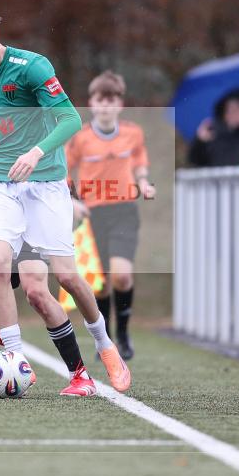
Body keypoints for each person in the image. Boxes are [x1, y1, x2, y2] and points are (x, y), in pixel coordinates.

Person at [0, 0, 130, 392]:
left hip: (45, 182)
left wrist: (35, 152)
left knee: (67, 277)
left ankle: (105, 343)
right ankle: (15, 358)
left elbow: (71, 119)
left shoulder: (33, 67)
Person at [0, 99, 97, 396]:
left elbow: (42, 169)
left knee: (37, 292)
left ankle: (80, 375)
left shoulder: (15, 123)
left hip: (23, 215)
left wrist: (68, 197)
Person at [65, 71, 154, 361]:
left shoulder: (133, 133)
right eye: (100, 100)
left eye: (111, 100)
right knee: (100, 283)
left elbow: (139, 160)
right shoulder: (80, 137)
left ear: (120, 104)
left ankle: (124, 334)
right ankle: (107, 341)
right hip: (92, 214)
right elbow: (63, 170)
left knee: (122, 277)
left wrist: (143, 182)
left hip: (124, 211)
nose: (105, 106)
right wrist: (72, 201)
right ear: (91, 103)